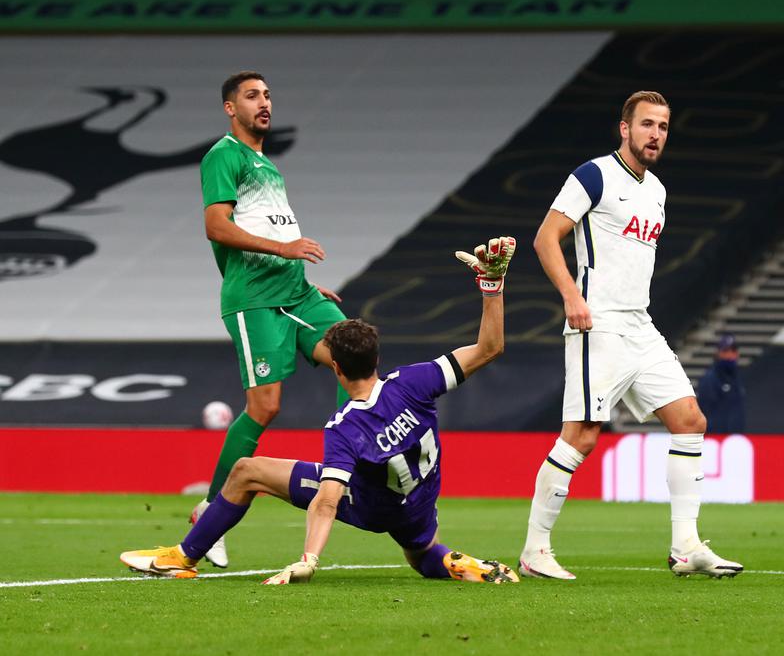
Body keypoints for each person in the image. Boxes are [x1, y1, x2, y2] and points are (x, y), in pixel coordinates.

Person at [121, 238, 519, 584]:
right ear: (376, 357)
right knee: (421, 556)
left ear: (336, 367)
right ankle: (455, 561)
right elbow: (489, 348)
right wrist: (492, 286)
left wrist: (308, 559)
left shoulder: (346, 427)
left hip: (370, 505)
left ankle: (182, 558)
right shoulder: (414, 382)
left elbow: (328, 500)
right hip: (419, 500)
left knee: (246, 472)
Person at [518, 91, 743, 580]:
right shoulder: (593, 175)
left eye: (662, 126)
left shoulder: (657, 191)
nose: (655, 134)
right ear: (625, 128)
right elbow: (545, 237)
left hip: (640, 324)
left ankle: (685, 547)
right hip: (596, 321)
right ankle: (535, 551)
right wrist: (571, 298)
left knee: (689, 418)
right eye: (646, 124)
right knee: (581, 436)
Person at [192, 71, 349, 569]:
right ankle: (210, 512)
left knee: (353, 354)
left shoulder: (268, 167)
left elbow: (267, 223)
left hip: (295, 291)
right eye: (252, 96)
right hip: (255, 300)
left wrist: (297, 271)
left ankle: (351, 470)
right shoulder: (224, 156)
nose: (264, 103)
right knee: (265, 407)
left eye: (267, 96)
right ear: (229, 108)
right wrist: (283, 250)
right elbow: (216, 226)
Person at [695, 334, 746, 434]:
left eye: (733, 350)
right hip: (715, 438)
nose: (730, 354)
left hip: (734, 439)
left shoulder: (737, 378)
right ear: (718, 353)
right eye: (726, 351)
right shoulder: (710, 378)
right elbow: (705, 410)